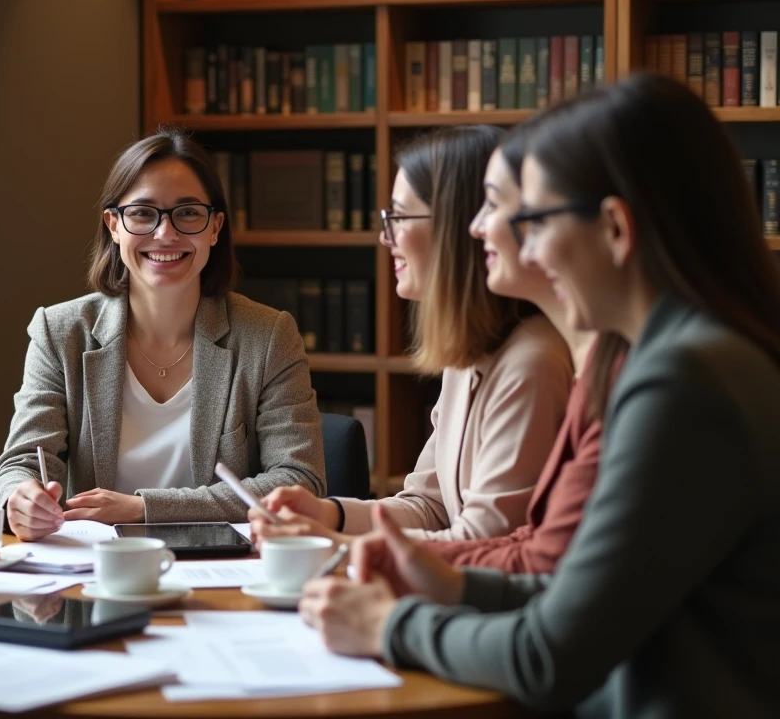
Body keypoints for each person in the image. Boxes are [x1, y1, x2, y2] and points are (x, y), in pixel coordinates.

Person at [300, 74, 780, 717]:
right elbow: (580, 597)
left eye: (535, 219)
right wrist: (453, 582)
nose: (521, 245)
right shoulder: (683, 359)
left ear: (614, 228)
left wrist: (387, 627)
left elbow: (549, 655)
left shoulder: (682, 383)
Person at [0, 129, 326, 541]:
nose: (165, 234)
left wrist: (143, 508)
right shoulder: (61, 332)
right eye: (143, 213)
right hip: (97, 573)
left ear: (215, 228)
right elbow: (19, 463)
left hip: (222, 569)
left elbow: (299, 480)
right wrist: (19, 499)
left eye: (187, 213)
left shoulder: (268, 336)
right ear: (114, 226)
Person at [253, 126, 573, 544]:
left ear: (456, 227)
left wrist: (331, 543)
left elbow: (484, 541)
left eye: (399, 217)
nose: (386, 237)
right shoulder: (471, 355)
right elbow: (429, 507)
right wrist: (328, 514)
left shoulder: (532, 363)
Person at [420, 125, 628, 573]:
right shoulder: (601, 366)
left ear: (615, 227)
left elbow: (544, 578)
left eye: (537, 218)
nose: (477, 228)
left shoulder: (633, 379)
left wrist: (351, 557)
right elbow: (533, 545)